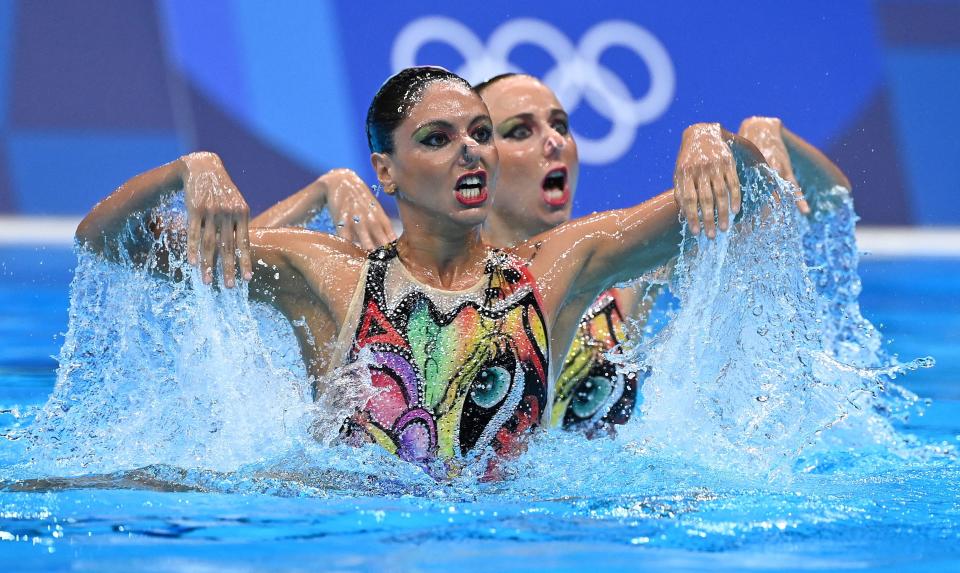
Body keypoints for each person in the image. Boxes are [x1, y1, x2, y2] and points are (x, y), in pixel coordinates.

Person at [75, 67, 766, 475]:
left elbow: (756, 198)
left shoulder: (552, 270)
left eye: (481, 134)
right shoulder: (328, 274)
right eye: (438, 140)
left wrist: (707, 137)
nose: (471, 153)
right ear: (386, 170)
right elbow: (106, 239)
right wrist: (188, 169)